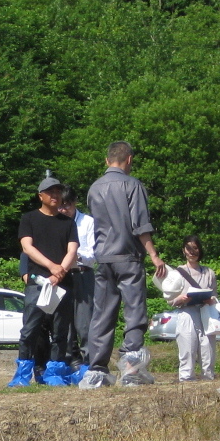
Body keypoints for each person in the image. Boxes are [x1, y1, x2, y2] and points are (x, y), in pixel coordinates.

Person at [80, 141, 166, 388]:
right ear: (129, 160)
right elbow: (140, 225)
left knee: (102, 315)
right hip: (128, 257)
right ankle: (131, 368)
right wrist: (153, 255)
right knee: (134, 311)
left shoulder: (94, 188)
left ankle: (96, 371)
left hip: (103, 258)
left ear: (108, 160)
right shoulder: (132, 185)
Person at [10, 175, 79, 387]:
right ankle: (23, 373)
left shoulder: (68, 222)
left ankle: (55, 371)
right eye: (50, 192)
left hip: (62, 283)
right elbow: (27, 247)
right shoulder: (29, 218)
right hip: (38, 282)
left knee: (60, 331)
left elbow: (73, 249)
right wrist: (52, 267)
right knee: (30, 329)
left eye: (58, 192)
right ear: (41, 196)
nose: (55, 196)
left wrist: (61, 271)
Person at [162, 238, 218, 381]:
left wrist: (211, 300)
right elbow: (170, 299)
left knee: (208, 348)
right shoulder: (177, 273)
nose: (192, 252)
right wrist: (180, 299)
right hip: (187, 312)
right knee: (187, 348)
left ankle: (208, 378)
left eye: (196, 248)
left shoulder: (208, 272)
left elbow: (215, 296)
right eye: (189, 249)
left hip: (206, 312)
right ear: (184, 251)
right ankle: (186, 380)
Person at [59, 186, 96, 377]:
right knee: (64, 322)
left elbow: (93, 254)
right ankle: (67, 360)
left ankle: (88, 361)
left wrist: (75, 254)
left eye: (67, 206)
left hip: (82, 274)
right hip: (62, 275)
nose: (63, 210)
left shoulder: (88, 222)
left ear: (74, 204)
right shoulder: (56, 223)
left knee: (84, 322)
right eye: (60, 206)